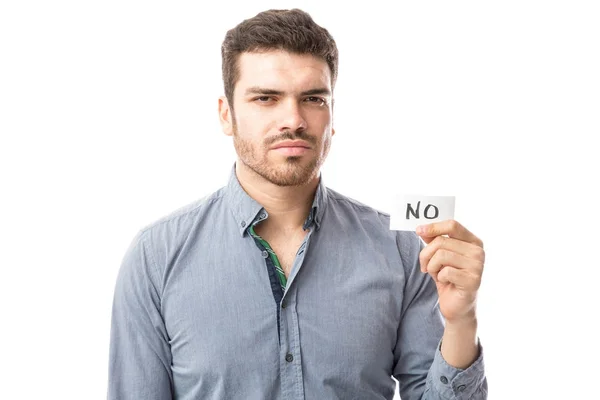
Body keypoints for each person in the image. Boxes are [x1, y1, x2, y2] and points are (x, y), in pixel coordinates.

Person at [107, 8, 488, 400]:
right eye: (266, 98)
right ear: (227, 114)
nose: (293, 119)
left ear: (331, 115)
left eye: (312, 98)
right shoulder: (155, 258)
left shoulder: (402, 250)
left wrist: (461, 320)